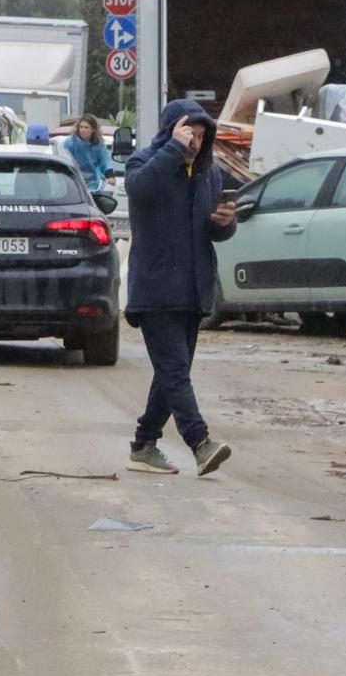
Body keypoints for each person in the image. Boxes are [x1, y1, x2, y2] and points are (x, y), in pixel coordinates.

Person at [124, 98, 237, 476]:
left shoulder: (209, 175)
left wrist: (224, 223)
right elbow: (139, 191)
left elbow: (211, 232)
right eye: (190, 134)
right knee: (174, 372)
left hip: (193, 290)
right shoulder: (144, 164)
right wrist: (172, 149)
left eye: (201, 136)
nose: (195, 143)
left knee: (172, 373)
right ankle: (200, 443)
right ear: (172, 130)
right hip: (155, 289)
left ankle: (143, 444)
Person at [65, 114, 113, 192]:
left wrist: (110, 175)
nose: (83, 130)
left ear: (93, 129)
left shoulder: (98, 145)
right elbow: (65, 160)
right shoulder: (70, 143)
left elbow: (105, 160)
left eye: (86, 127)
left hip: (94, 184)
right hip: (73, 182)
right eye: (81, 127)